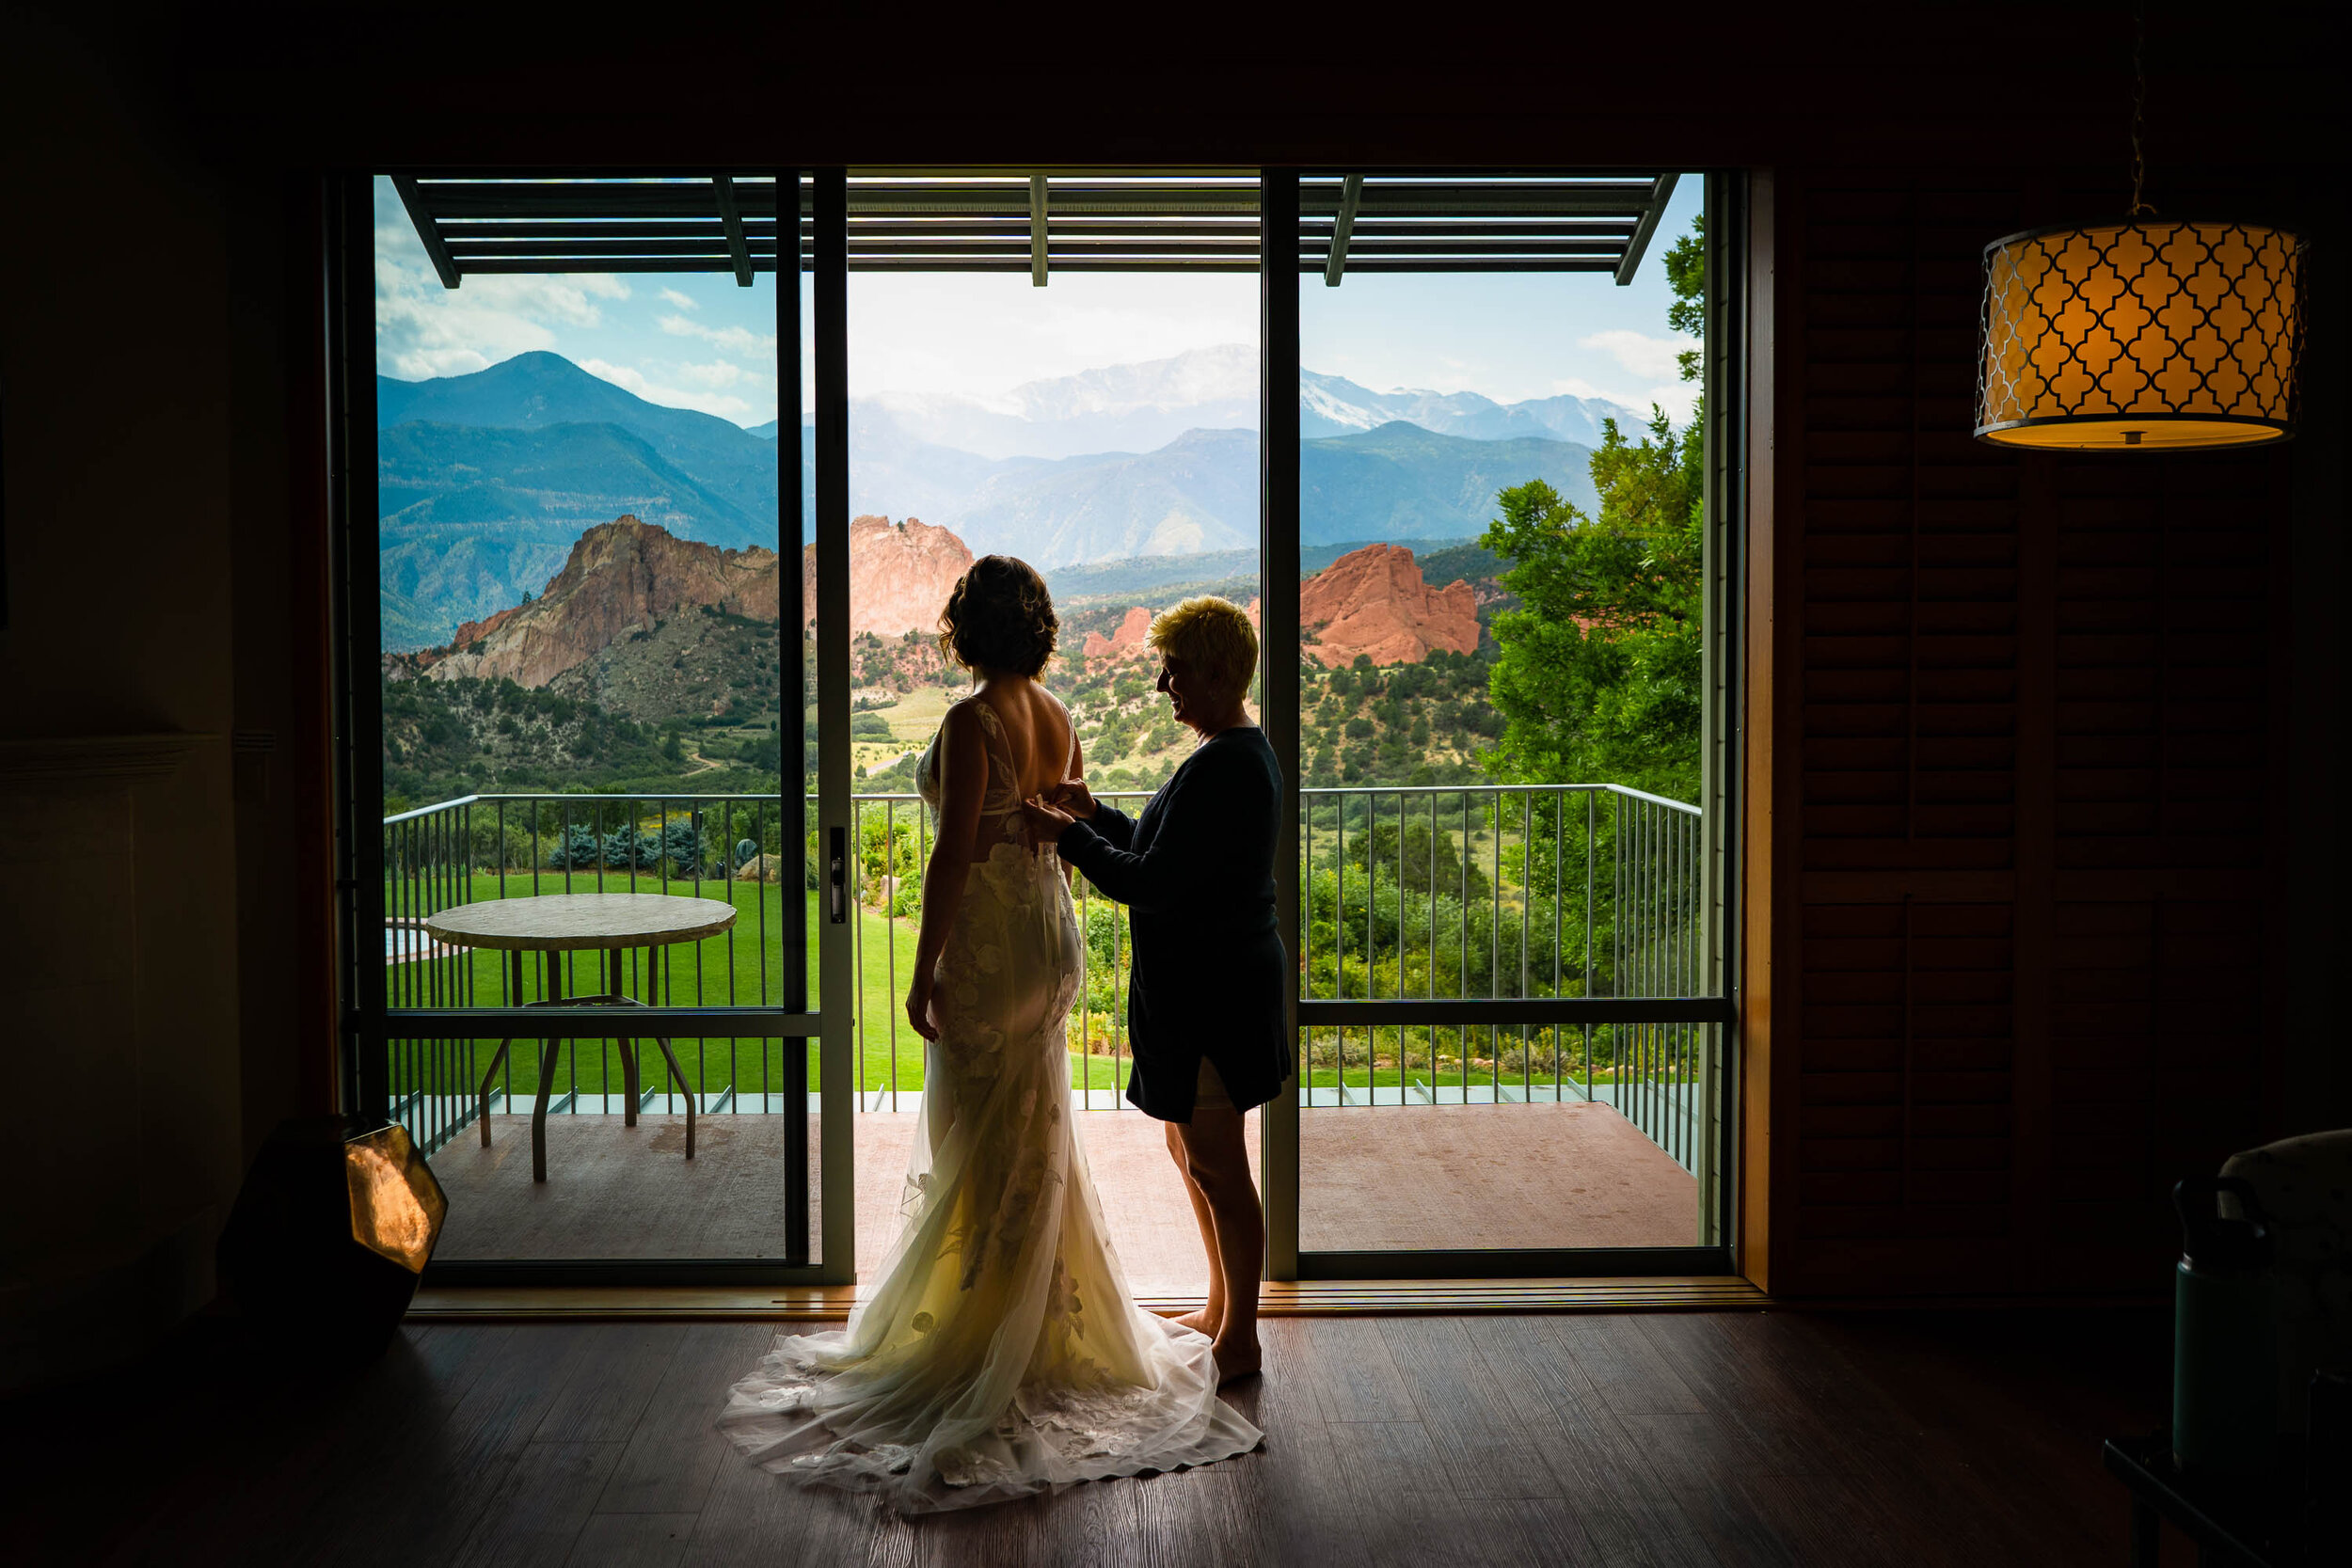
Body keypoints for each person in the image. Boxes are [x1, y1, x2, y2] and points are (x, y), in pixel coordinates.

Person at [718, 557, 1260, 1513]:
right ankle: (1039, 1316)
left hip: (995, 946)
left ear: (964, 627)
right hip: (1050, 941)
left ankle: (982, 1330)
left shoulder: (973, 721)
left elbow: (954, 854)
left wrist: (925, 968)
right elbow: (1070, 824)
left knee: (979, 1135)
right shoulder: (1057, 714)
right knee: (1032, 1126)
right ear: (1041, 628)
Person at [1024, 595, 1285, 1384]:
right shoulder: (1231, 751)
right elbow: (1167, 850)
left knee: (1219, 1166)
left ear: (1212, 670)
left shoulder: (1225, 762)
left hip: (1216, 996)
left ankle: (1241, 1337)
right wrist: (1096, 811)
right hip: (1211, 989)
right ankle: (1218, 1309)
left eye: (1173, 669)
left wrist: (1066, 834)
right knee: (1191, 1148)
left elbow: (1150, 882)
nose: (1163, 684)